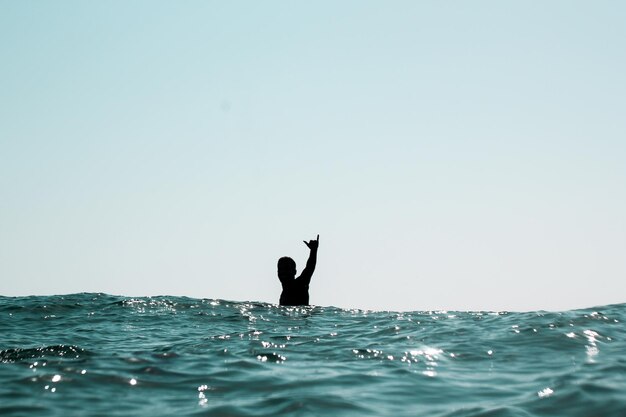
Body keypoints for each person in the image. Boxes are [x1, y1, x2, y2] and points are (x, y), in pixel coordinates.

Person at [278, 235, 319, 306]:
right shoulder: (284, 292)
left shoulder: (300, 284)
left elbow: (309, 268)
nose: (283, 272)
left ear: (294, 272)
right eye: (280, 269)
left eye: (286, 269)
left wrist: (313, 251)